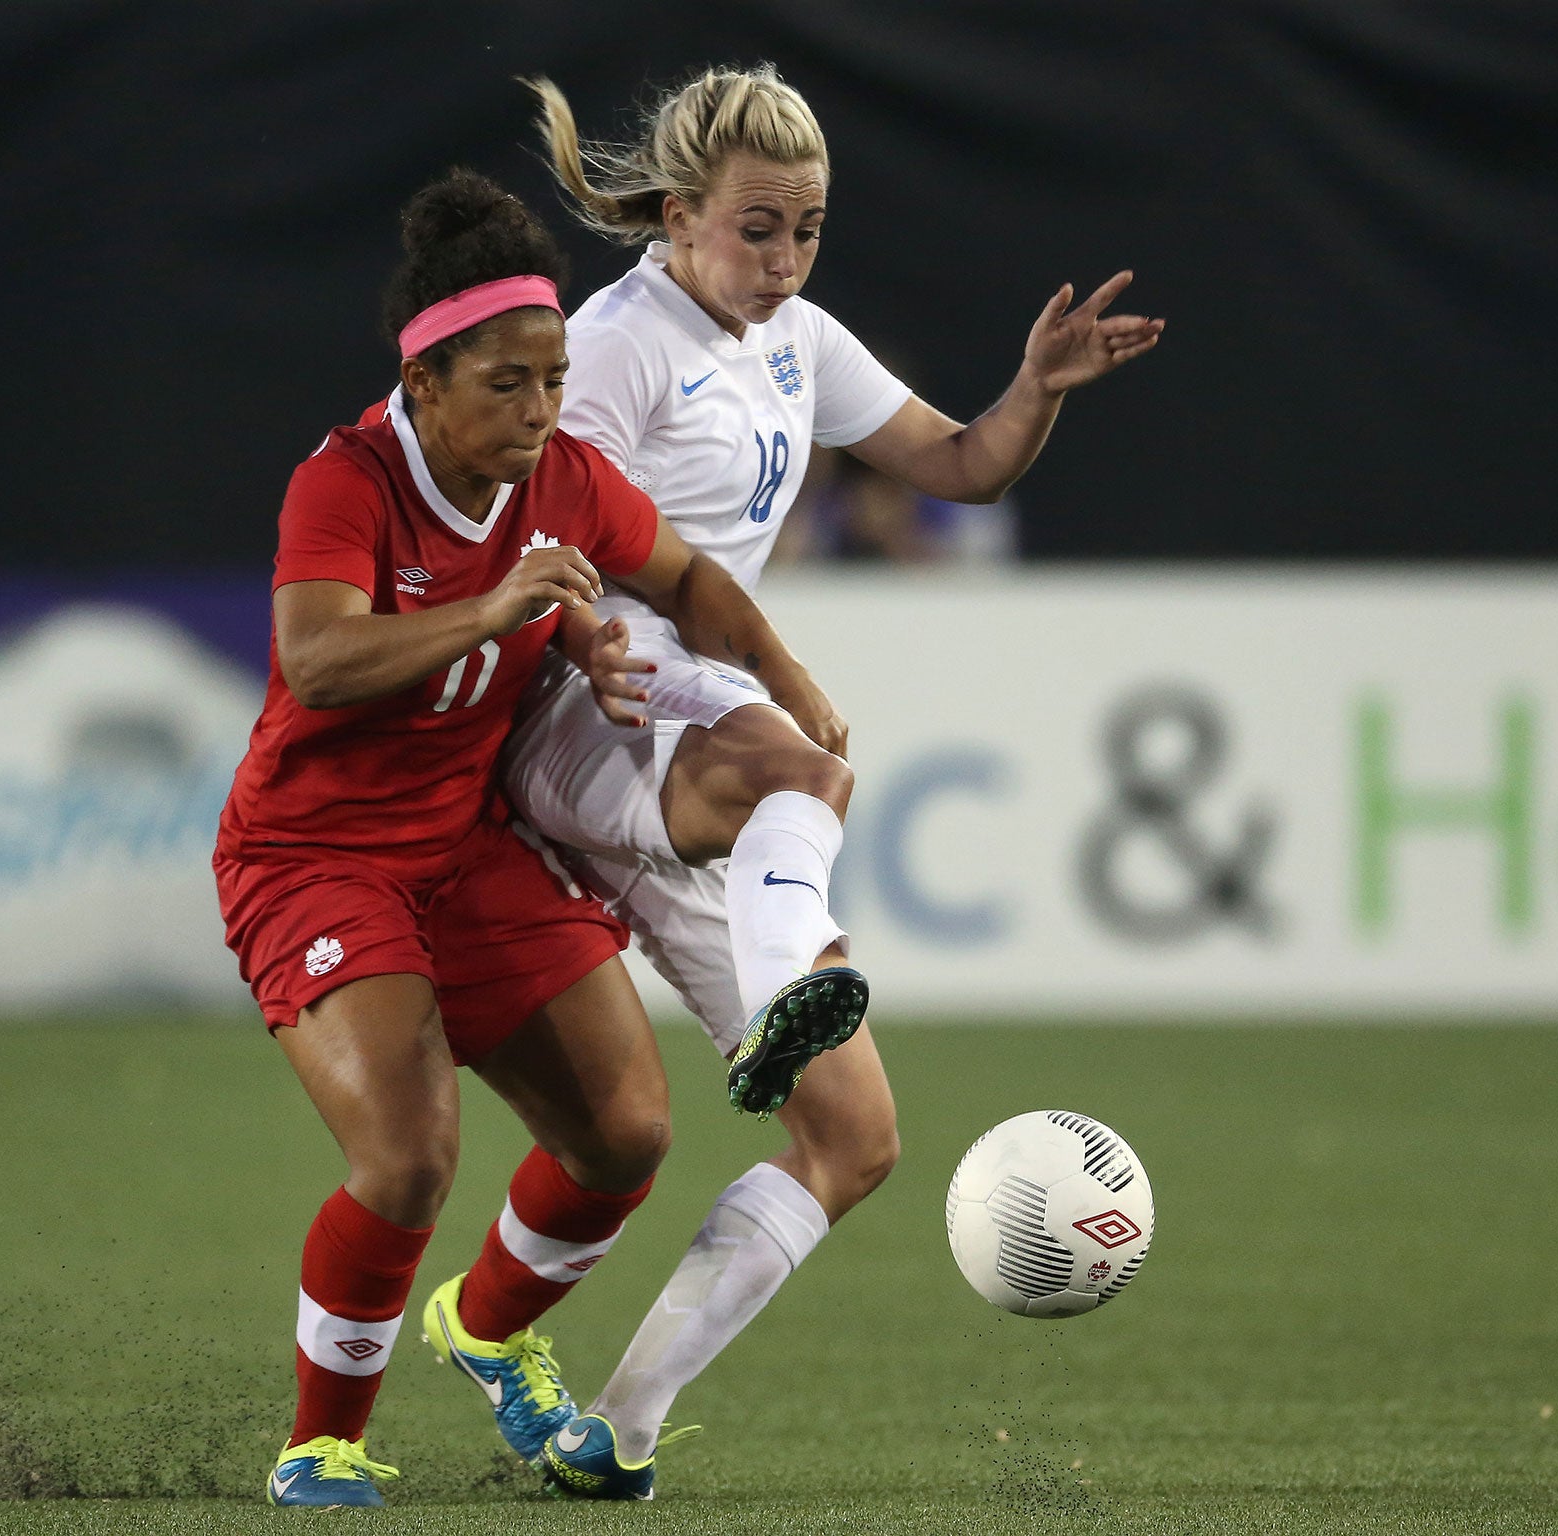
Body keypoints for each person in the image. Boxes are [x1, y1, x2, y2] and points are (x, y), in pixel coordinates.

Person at [504, 66, 1164, 1500]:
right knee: (806, 762)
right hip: (590, 708)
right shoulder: (614, 341)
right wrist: (589, 638)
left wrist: (1034, 390)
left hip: (696, 739)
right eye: (758, 228)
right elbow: (552, 531)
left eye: (807, 228)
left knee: (855, 1139)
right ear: (679, 216)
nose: (785, 259)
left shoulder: (793, 335)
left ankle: (613, 1426)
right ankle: (792, 968)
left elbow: (961, 463)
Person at [212, 168, 845, 1508]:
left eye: (555, 376)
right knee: (409, 1155)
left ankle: (486, 1329)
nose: (543, 409)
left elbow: (683, 577)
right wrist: (500, 608)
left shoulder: (558, 475)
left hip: (463, 846)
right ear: (426, 382)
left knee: (624, 1134)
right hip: (314, 858)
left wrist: (789, 685)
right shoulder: (349, 479)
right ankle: (319, 1441)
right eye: (507, 382)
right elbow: (316, 662)